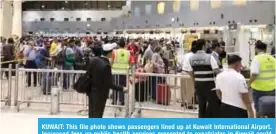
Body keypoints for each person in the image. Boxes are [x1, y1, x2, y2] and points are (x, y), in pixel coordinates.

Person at [87, 43, 127, 118]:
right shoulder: (106, 65)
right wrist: (122, 88)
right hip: (100, 94)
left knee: (91, 114)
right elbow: (109, 84)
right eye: (112, 52)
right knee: (98, 114)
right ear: (109, 53)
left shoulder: (94, 60)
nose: (113, 53)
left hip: (91, 92)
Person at [183, 39, 221, 118]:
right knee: (214, 105)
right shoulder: (209, 57)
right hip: (210, 85)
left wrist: (195, 82)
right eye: (206, 44)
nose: (208, 46)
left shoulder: (191, 58)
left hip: (198, 84)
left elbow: (191, 72)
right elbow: (216, 71)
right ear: (203, 46)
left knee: (201, 106)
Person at [248, 41, 275, 117]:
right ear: (265, 49)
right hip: (272, 89)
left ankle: (260, 126)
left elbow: (254, 74)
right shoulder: (273, 58)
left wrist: (248, 84)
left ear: (256, 49)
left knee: (259, 109)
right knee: (272, 109)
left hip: (259, 90)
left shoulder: (256, 59)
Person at [111, 39, 130, 105]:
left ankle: (114, 101)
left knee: (114, 86)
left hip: (115, 72)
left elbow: (111, 62)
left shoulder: (114, 52)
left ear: (118, 45)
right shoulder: (128, 52)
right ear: (125, 45)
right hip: (124, 72)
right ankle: (122, 101)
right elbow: (130, 62)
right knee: (122, 87)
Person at [181, 40, 198, 109]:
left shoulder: (186, 54)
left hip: (183, 71)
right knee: (190, 89)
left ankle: (183, 102)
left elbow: (182, 62)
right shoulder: (195, 56)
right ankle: (189, 104)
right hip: (189, 72)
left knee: (183, 88)